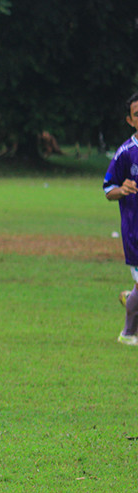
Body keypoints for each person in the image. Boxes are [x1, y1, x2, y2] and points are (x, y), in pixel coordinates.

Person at [104, 91, 138, 345]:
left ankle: (130, 298)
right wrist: (121, 190)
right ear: (130, 120)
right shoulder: (125, 153)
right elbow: (108, 189)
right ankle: (127, 334)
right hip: (135, 231)